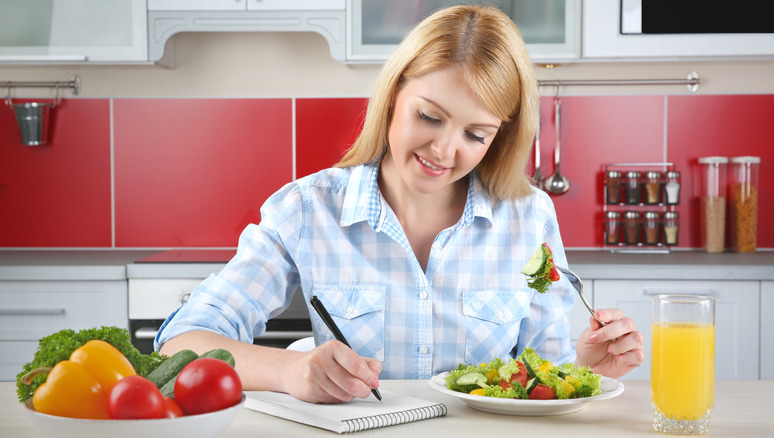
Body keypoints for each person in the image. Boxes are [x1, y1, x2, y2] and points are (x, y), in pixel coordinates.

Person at [156, 5, 644, 404]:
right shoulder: (307, 210)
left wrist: (585, 371)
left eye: (475, 135)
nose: (444, 151)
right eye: (429, 116)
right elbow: (181, 345)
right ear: (392, 96)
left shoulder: (528, 218)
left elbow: (543, 373)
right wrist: (290, 370)